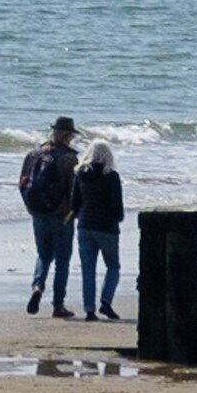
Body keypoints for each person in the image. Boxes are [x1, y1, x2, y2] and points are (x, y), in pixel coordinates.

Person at [18, 115, 80, 317]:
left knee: (44, 254)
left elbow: (23, 181)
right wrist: (75, 211)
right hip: (62, 214)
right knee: (62, 259)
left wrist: (29, 206)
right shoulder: (69, 158)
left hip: (37, 212)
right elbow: (73, 189)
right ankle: (58, 305)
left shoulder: (34, 154)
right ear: (68, 135)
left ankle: (37, 286)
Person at [69, 138, 124, 321]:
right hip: (107, 227)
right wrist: (118, 218)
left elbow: (74, 203)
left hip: (85, 225)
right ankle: (106, 301)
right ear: (108, 155)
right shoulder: (112, 176)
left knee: (88, 269)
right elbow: (117, 205)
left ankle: (89, 310)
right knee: (113, 266)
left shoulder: (80, 174)